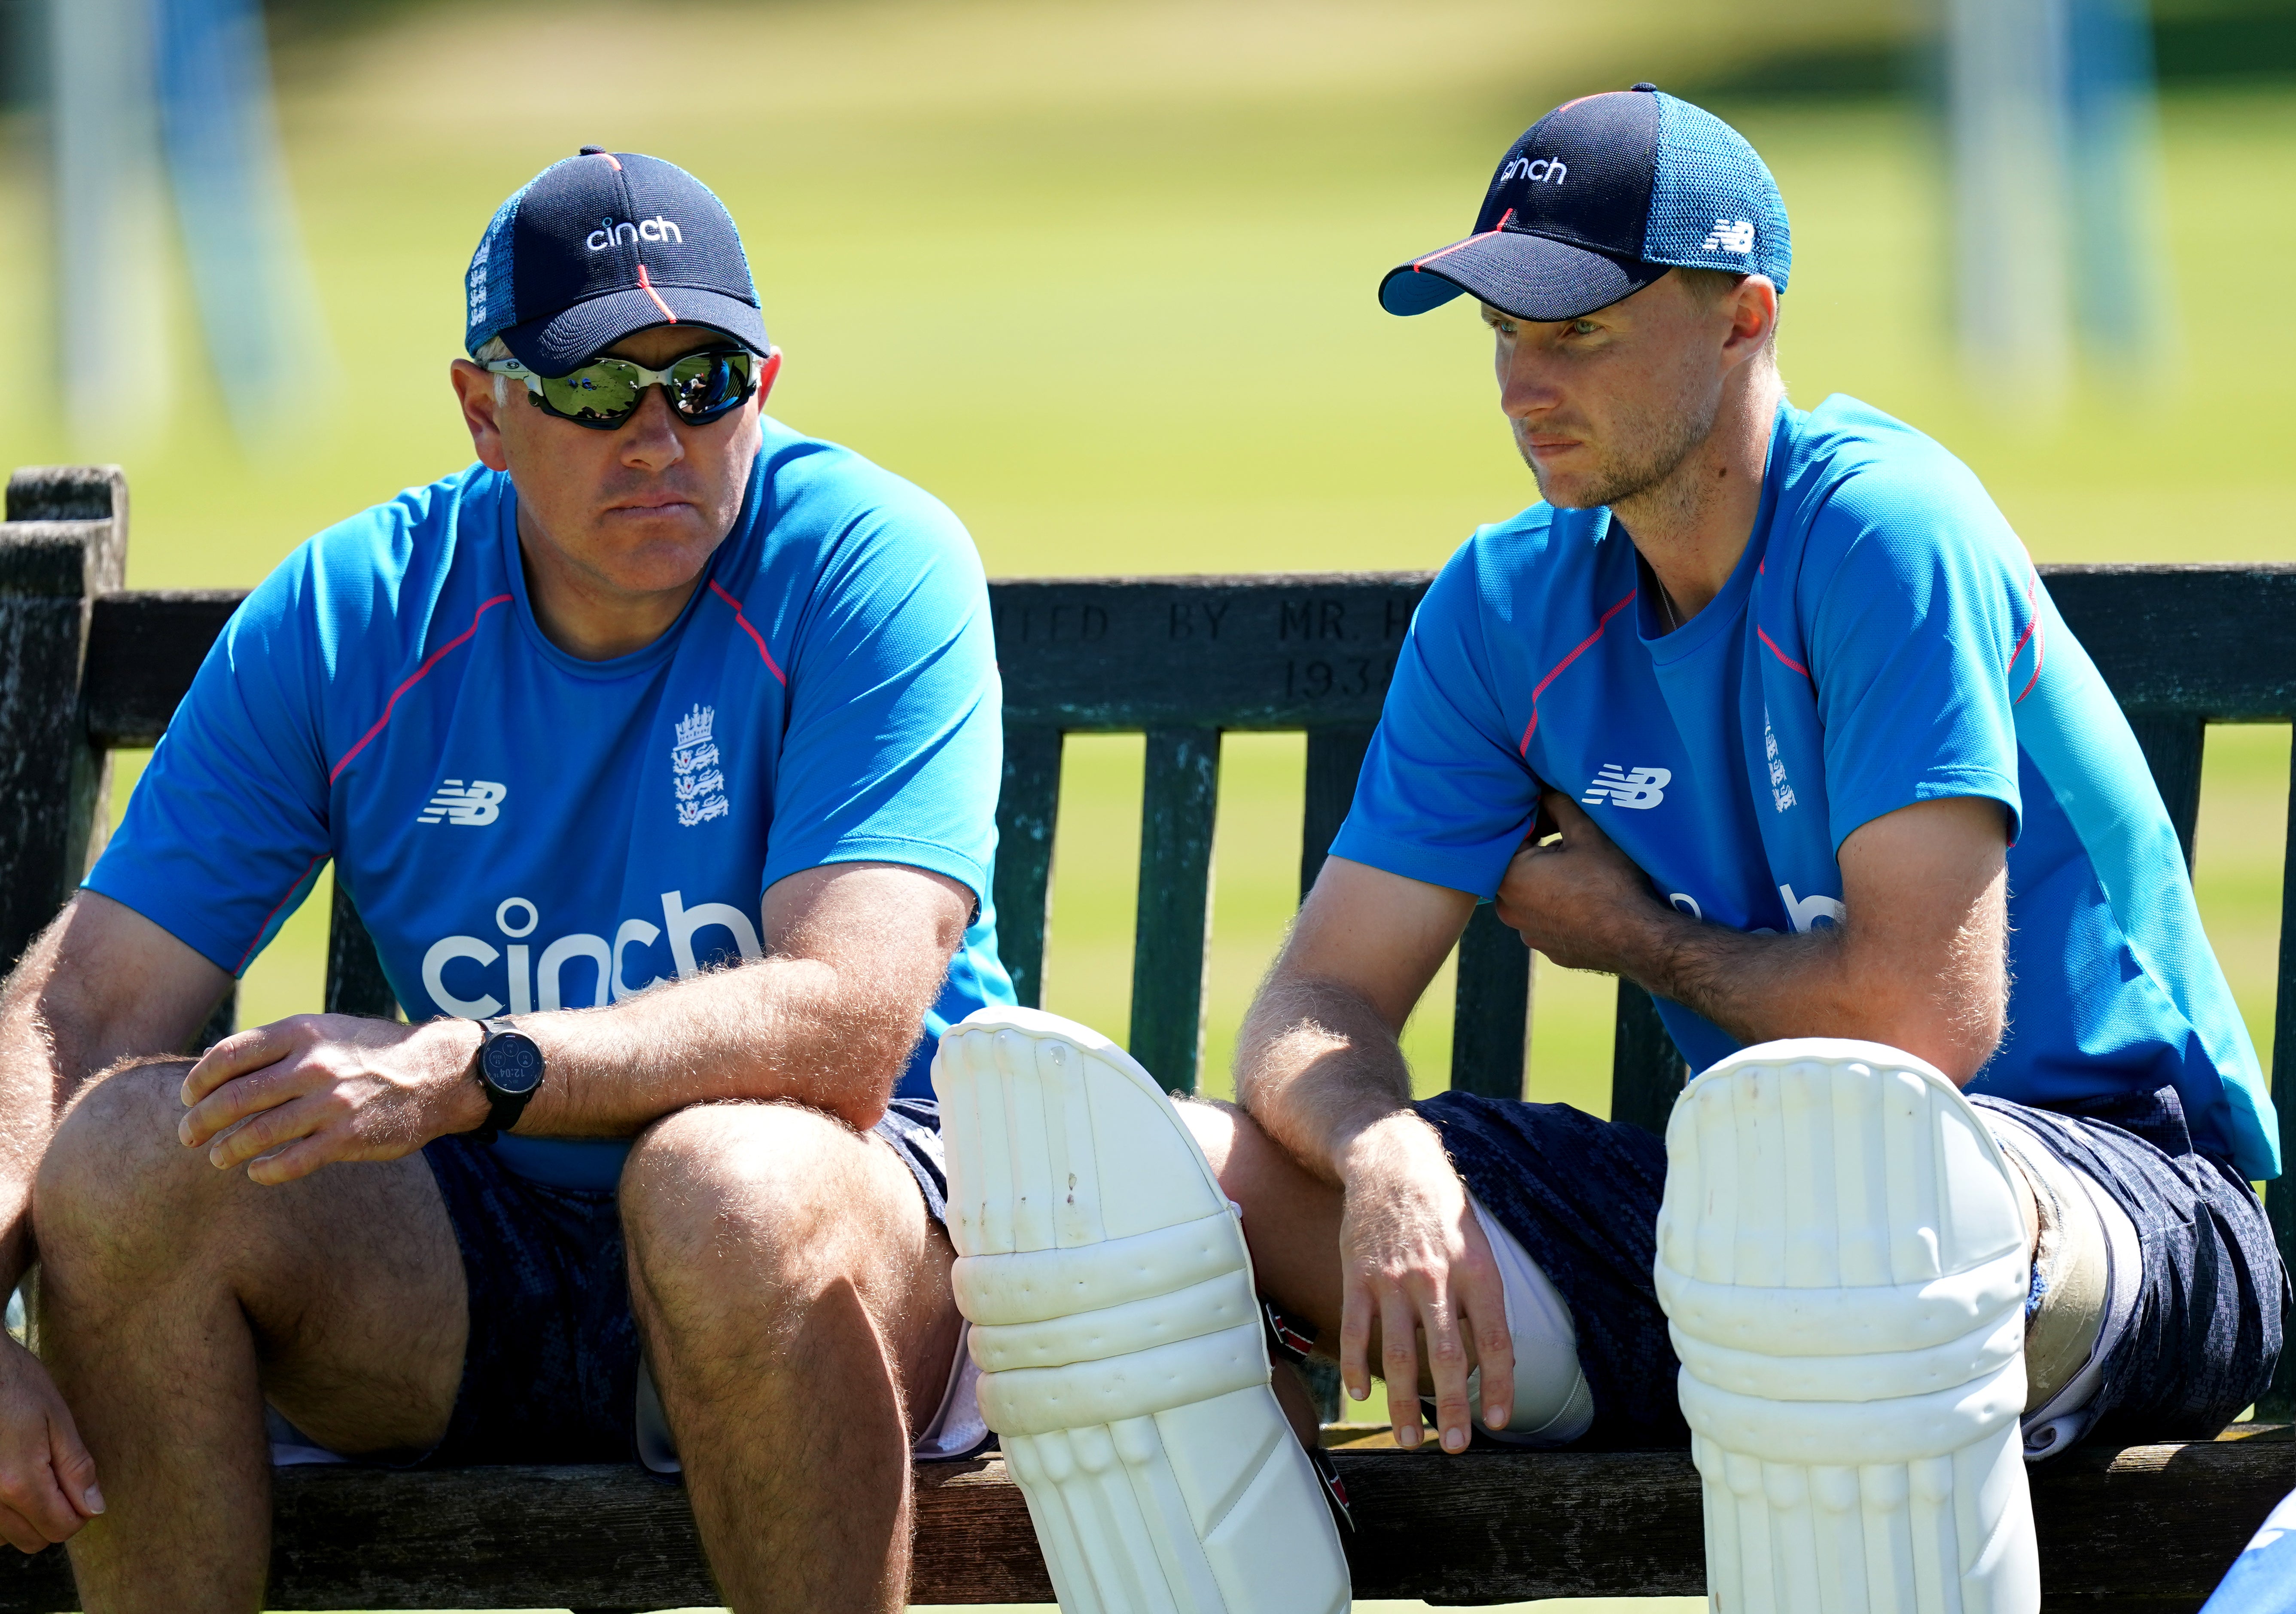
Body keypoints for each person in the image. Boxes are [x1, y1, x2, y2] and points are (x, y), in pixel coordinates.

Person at [935, 85, 2286, 1613]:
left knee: (1829, 1178)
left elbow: (1924, 1025)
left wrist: (1633, 935)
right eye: (1501, 331)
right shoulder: (1504, 606)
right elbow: (1314, 1005)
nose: (1522, 380)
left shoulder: (1880, 533)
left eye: (1575, 328)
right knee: (1142, 1188)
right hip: (1756, 1245)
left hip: (2127, 1206)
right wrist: (1385, 1155)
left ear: (1742, 317)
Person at [2, 147, 1011, 1612]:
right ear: (484, 410)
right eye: (599, 389)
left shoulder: (871, 557)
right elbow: (84, 1006)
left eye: (705, 382)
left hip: (854, 1214)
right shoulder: (354, 610)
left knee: (720, 1185)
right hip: (484, 1260)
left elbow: (850, 1027)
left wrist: (475, 1065)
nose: (658, 436)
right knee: (130, 1157)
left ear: (766, 385)